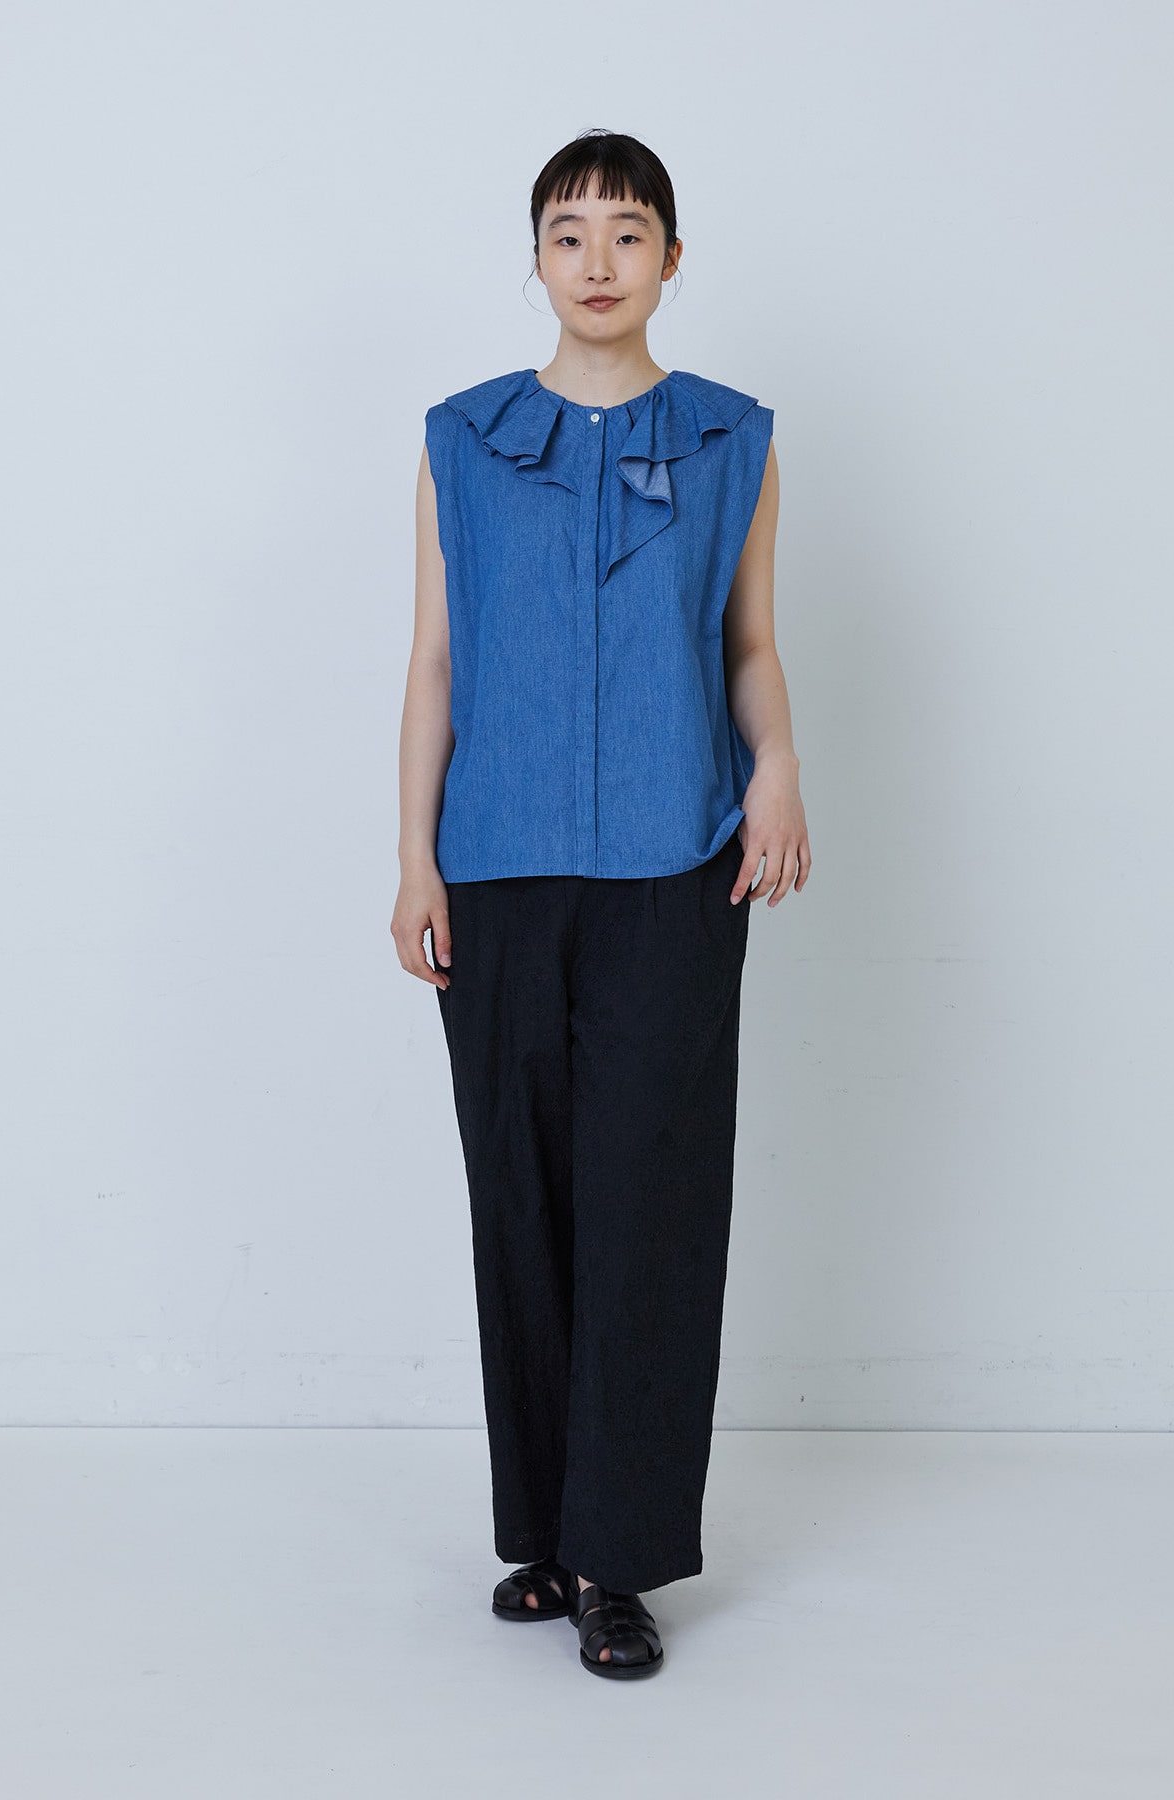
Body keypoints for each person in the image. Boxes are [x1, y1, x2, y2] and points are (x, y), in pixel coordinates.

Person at [391, 128, 810, 1680]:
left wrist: (780, 768)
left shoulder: (734, 440)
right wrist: (416, 856)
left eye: (627, 233)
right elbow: (436, 661)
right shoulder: (461, 440)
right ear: (537, 260)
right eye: (567, 234)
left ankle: (621, 1561)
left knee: (653, 1204)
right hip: (497, 870)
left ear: (671, 260)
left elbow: (750, 645)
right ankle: (548, 1537)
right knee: (523, 1196)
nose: (597, 261)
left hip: (675, 869)